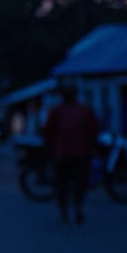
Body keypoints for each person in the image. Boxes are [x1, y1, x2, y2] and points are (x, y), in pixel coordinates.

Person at [43, 85, 100, 225]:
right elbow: (94, 131)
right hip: (79, 154)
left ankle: (67, 212)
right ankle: (76, 209)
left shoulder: (58, 111)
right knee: (78, 184)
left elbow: (48, 133)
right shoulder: (82, 111)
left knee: (63, 184)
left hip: (64, 154)